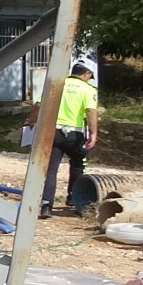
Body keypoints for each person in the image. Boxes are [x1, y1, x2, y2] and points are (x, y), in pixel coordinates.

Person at [29, 58, 99, 219]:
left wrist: (31, 120)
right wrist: (93, 133)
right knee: (77, 166)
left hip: (53, 132)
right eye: (90, 75)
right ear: (86, 73)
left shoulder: (56, 84)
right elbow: (90, 112)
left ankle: (46, 205)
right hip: (75, 134)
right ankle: (73, 199)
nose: (89, 78)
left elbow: (38, 104)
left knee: (51, 170)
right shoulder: (88, 90)